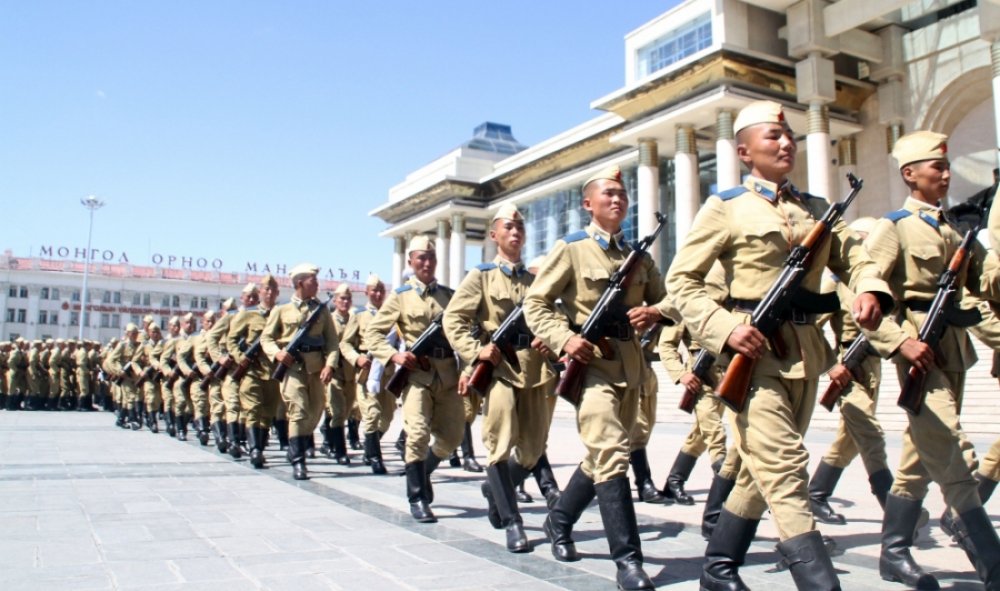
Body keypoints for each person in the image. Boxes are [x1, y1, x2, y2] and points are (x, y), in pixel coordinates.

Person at [667, 100, 891, 590]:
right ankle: (819, 583)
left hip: (805, 356)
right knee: (787, 467)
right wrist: (725, 328)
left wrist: (872, 287)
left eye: (789, 135)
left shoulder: (814, 209)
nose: (786, 142)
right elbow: (681, 281)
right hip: (753, 356)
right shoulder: (725, 206)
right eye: (773, 136)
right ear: (745, 151)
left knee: (755, 470)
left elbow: (854, 257)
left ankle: (717, 568)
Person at [861, 130, 1000, 589]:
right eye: (936, 167)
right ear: (910, 174)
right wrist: (900, 342)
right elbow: (865, 291)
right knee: (952, 448)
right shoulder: (895, 225)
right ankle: (992, 562)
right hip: (919, 354)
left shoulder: (954, 229)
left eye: (946, 165)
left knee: (920, 457)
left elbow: (986, 282)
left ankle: (894, 552)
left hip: (955, 351)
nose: (945, 173)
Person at [524, 165, 673, 590]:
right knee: (610, 453)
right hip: (590, 369)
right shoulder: (571, 249)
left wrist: (656, 312)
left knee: (605, 456)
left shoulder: (639, 257)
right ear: (588, 204)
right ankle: (628, 562)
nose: (617, 199)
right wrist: (564, 339)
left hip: (631, 367)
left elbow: (667, 300)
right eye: (607, 194)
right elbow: (537, 304)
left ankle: (560, 519)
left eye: (622, 194)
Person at [444, 203, 557, 552]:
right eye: (508, 226)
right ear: (494, 234)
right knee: (500, 443)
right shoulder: (480, 276)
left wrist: (549, 337)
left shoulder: (535, 281)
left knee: (533, 448)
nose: (515, 231)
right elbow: (454, 319)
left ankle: (495, 489)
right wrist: (475, 351)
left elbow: (552, 317)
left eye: (520, 226)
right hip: (501, 371)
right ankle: (512, 522)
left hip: (536, 368)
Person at [365, 235, 460, 523]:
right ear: (411, 262)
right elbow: (373, 334)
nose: (427, 263)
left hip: (447, 374)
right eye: (421, 258)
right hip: (417, 375)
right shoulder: (400, 296)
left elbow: (465, 328)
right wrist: (393, 356)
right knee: (417, 434)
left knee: (451, 438)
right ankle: (417, 496)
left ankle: (424, 469)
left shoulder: (449, 296)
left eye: (431, 258)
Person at [808, 217, 894, 525]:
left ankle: (817, 493)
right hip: (847, 366)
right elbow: (810, 329)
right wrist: (832, 366)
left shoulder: (878, 286)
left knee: (849, 439)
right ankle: (895, 509)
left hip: (872, 365)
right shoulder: (834, 283)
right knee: (870, 434)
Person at [261, 263, 339, 480]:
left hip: (315, 368)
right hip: (292, 368)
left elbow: (332, 342)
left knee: (315, 412)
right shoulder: (281, 310)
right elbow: (266, 338)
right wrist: (276, 353)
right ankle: (298, 460)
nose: (317, 284)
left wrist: (329, 364)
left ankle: (296, 446)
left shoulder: (322, 311)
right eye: (313, 280)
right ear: (299, 283)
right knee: (299, 410)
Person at [340, 274, 393, 475]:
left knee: (386, 417)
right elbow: (345, 343)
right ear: (367, 293)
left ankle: (370, 447)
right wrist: (356, 358)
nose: (378, 294)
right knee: (372, 414)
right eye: (374, 291)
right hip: (367, 371)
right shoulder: (359, 315)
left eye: (381, 291)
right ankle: (374, 457)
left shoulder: (390, 314)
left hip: (387, 372)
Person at [227, 276, 281, 469]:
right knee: (253, 409)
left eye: (273, 290)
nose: (269, 293)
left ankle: (260, 447)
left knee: (268, 411)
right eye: (266, 289)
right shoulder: (248, 315)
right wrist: (240, 357)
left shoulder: (280, 314)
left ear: (277, 293)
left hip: (273, 370)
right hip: (251, 369)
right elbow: (231, 340)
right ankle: (255, 449)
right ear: (260, 291)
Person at [321, 282, 356, 464]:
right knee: (337, 411)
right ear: (335, 300)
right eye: (342, 298)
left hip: (350, 373)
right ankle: (340, 451)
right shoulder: (328, 319)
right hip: (333, 371)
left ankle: (328, 440)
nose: (345, 301)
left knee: (347, 409)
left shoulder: (354, 319)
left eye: (348, 298)